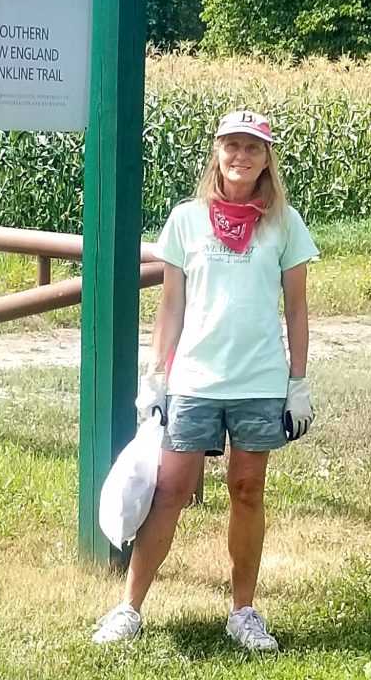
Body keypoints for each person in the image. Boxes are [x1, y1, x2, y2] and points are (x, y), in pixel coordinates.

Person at [93, 110, 319, 650]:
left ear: (268, 159)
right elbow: (171, 305)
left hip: (259, 380)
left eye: (253, 148)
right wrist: (156, 375)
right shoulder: (186, 220)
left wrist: (298, 381)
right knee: (169, 490)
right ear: (217, 153)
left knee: (247, 490)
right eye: (231, 146)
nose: (241, 156)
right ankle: (129, 606)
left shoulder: (284, 224)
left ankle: (243, 611)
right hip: (194, 378)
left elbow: (297, 309)